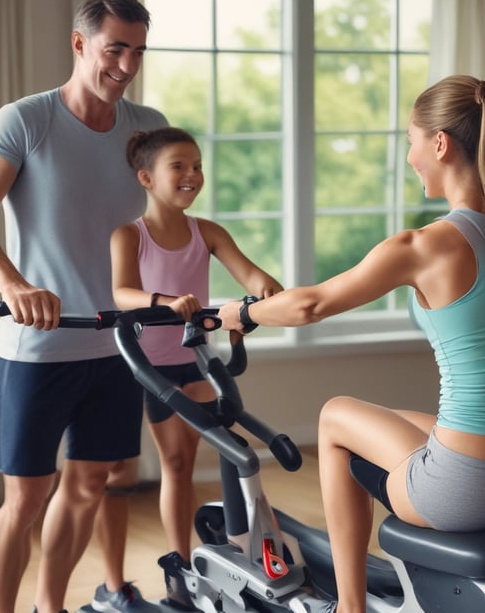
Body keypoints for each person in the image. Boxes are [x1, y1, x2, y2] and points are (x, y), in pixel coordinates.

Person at [218, 74, 485, 613]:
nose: (410, 156)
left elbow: (309, 305)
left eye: (411, 140)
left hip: (472, 492)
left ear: (440, 143)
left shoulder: (425, 245)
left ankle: (349, 607)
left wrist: (240, 311)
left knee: (336, 417)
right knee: (416, 423)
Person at [0, 0, 170, 613]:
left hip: (119, 344)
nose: (127, 65)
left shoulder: (145, 128)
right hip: (39, 347)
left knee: (92, 484)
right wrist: (14, 285)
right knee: (26, 498)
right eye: (114, 49)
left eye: (138, 51)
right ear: (80, 44)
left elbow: (163, 221)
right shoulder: (25, 120)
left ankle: (51, 606)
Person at [89, 126, 283, 611]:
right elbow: (122, 293)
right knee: (118, 475)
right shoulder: (128, 235)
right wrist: (165, 302)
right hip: (138, 366)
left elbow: (250, 272)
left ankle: (181, 570)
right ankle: (125, 579)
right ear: (147, 177)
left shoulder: (208, 232)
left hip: (191, 360)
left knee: (179, 464)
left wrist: (263, 289)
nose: (193, 175)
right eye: (179, 166)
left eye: (197, 165)